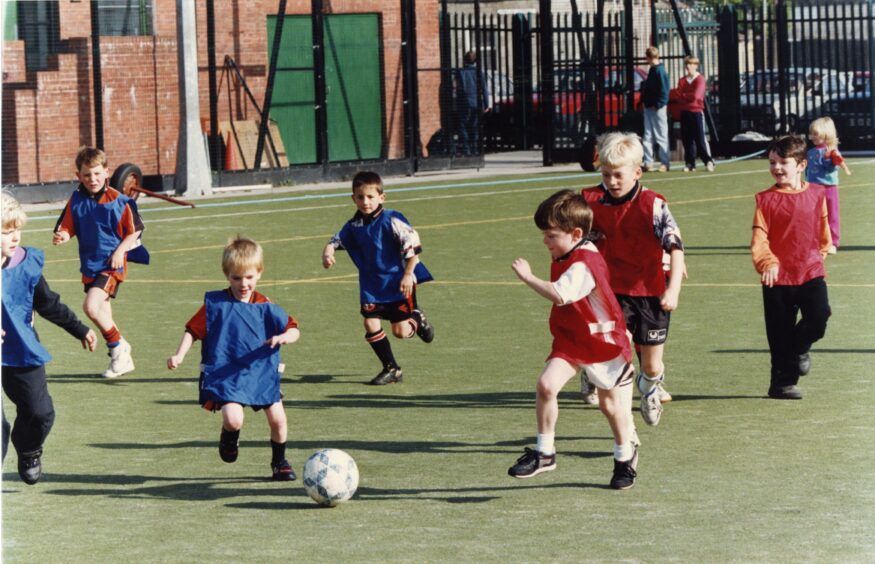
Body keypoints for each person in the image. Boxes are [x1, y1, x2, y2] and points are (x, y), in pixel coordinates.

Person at [506, 189, 639, 490]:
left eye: (551, 235)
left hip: (602, 344)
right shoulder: (567, 252)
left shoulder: (582, 265)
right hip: (571, 341)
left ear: (576, 233)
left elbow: (560, 294)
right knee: (546, 385)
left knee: (610, 406)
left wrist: (528, 277)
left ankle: (624, 457)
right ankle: (545, 452)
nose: (545, 241)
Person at [167, 237, 301, 480]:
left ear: (259, 273)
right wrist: (179, 355)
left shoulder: (265, 305)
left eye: (249, 277)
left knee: (278, 420)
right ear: (226, 275)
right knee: (233, 418)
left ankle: (279, 462)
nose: (243, 284)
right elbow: (192, 331)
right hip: (228, 374)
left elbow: (294, 328)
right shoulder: (216, 305)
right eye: (236, 278)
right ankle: (229, 436)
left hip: (260, 373)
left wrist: (284, 337)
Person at [581, 132, 686, 427]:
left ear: (637, 172)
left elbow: (676, 247)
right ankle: (619, 417)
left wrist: (673, 288)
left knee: (651, 365)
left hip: (650, 291)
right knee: (616, 350)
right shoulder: (589, 201)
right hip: (610, 290)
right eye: (605, 174)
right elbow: (572, 237)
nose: (611, 182)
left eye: (618, 175)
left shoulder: (653, 205)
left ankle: (650, 388)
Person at [2, 191, 97, 484]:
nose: (15, 236)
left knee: (41, 413)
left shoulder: (25, 264)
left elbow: (47, 304)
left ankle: (29, 449)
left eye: (17, 229)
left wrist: (79, 328)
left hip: (20, 350)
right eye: (6, 231)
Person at [322, 171, 435, 385]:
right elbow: (337, 239)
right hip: (371, 286)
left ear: (382, 197)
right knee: (370, 322)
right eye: (360, 197)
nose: (366, 202)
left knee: (400, 332)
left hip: (398, 283)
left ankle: (417, 320)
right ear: (353, 198)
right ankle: (392, 369)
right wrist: (328, 252)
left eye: (371, 197)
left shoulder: (393, 219)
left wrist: (408, 275)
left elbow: (413, 250)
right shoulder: (354, 225)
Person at [52, 146, 149, 378]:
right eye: (86, 175)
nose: (92, 179)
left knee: (90, 307)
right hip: (90, 266)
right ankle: (120, 356)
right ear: (78, 176)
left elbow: (135, 231)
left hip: (110, 266)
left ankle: (119, 347)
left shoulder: (118, 201)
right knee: (104, 315)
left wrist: (120, 252)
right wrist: (63, 235)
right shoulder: (75, 199)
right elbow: (67, 225)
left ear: (107, 172)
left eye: (97, 174)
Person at [752, 135, 831, 400]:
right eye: (772, 162)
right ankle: (782, 384)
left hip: (810, 271)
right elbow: (760, 238)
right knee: (779, 333)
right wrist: (768, 262)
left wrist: (820, 253)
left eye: (783, 162)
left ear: (801, 165)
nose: (776, 168)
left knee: (819, 317)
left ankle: (800, 348)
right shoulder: (765, 200)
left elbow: (822, 230)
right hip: (777, 278)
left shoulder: (817, 194)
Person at [806, 117, 851, 255]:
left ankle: (832, 242)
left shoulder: (832, 151)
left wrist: (829, 159)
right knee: (814, 214)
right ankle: (817, 240)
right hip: (813, 187)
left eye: (815, 134)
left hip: (828, 187)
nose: (812, 137)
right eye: (811, 134)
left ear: (826, 134)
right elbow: (807, 169)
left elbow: (833, 168)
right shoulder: (811, 152)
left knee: (831, 214)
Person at [673, 56, 715, 172]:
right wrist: (687, 96)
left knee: (700, 139)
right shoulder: (682, 80)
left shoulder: (700, 79)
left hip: (696, 112)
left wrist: (685, 95)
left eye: (691, 64)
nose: (688, 66)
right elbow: (677, 96)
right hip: (685, 112)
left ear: (696, 65)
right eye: (687, 64)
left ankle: (708, 161)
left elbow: (697, 96)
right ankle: (690, 163)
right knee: (687, 140)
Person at [641, 46, 671, 173]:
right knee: (648, 135)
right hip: (649, 106)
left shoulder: (659, 71)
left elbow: (665, 91)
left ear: (648, 58)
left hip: (656, 108)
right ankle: (649, 162)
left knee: (660, 135)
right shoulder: (655, 69)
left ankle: (664, 162)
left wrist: (658, 104)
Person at [455, 50, 491, 156]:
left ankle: (466, 149)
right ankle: (474, 148)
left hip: (464, 102)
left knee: (463, 126)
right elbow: (484, 89)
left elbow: (457, 88)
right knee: (474, 126)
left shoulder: (460, 72)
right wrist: (486, 104)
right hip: (477, 102)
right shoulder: (479, 71)